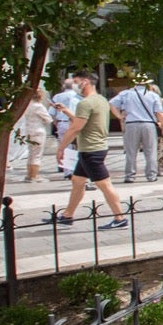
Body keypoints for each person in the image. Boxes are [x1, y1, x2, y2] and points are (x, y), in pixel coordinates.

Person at [54, 70, 128, 228]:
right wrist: (67, 111)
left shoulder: (85, 103)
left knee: (105, 184)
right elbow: (84, 122)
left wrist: (61, 148)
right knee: (78, 180)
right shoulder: (101, 100)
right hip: (95, 147)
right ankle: (68, 215)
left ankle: (120, 218)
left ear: (85, 82)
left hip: (90, 149)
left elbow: (76, 128)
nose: (74, 85)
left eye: (76, 81)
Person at [110, 81, 162, 183]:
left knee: (131, 151)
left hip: (131, 124)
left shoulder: (126, 93)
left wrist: (119, 116)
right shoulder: (153, 95)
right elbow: (159, 112)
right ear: (146, 84)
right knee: (151, 151)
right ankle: (151, 175)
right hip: (149, 124)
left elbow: (111, 103)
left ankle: (130, 176)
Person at [18, 88, 53, 182]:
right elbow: (48, 119)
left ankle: (29, 174)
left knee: (31, 153)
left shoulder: (27, 105)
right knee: (37, 154)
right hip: (38, 130)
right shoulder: (39, 106)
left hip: (29, 130)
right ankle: (35, 175)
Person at [50, 77, 81, 178]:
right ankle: (75, 168)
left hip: (61, 123)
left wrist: (56, 124)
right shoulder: (77, 96)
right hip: (73, 121)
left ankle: (67, 170)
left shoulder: (57, 97)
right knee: (76, 146)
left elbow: (52, 113)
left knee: (64, 147)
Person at [146, 82, 163, 177]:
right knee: (153, 149)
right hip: (152, 127)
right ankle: (156, 168)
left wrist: (162, 122)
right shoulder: (147, 104)